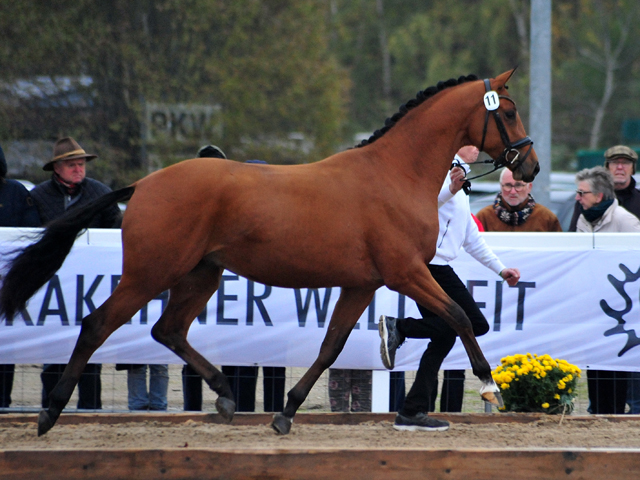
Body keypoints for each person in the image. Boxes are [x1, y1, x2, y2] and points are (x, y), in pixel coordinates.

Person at [378, 145, 520, 431]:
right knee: (474, 324)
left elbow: (471, 238)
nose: (477, 147)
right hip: (429, 266)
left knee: (444, 337)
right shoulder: (442, 171)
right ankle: (401, 328)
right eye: (471, 143)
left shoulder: (461, 180)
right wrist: (451, 190)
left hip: (438, 266)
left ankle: (412, 410)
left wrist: (501, 269)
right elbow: (421, 205)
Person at [181, 146, 287, 413]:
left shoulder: (283, 217)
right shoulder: (228, 218)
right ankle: (232, 410)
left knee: (272, 368)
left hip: (269, 317)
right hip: (233, 317)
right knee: (235, 364)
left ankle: (270, 412)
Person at [31, 137, 122, 410]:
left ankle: (90, 408)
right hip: (51, 287)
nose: (78, 169)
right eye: (71, 165)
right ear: (56, 168)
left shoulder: (101, 193)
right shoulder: (37, 197)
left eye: (81, 164)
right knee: (52, 352)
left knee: (88, 351)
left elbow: (116, 232)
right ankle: (51, 406)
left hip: (90, 287)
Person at [570, 146, 640, 414]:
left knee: (617, 364)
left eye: (582, 193)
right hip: (593, 304)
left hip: (620, 308)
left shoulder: (626, 221)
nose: (578, 198)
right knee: (594, 361)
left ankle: (615, 413)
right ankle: (597, 410)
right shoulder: (585, 219)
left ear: (598, 195)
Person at [0, 143, 41, 409]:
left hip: (7, 281)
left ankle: (3, 402)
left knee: (5, 345)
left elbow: (32, 230)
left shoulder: (15, 192)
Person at [476, 168, 562, 232]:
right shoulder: (484, 217)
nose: (513, 191)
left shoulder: (546, 218)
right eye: (508, 185)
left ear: (529, 187)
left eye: (519, 185)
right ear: (500, 187)